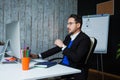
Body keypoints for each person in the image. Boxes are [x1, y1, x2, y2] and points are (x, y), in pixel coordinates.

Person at [30, 14, 91, 80]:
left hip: (73, 69)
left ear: (78, 25)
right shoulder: (69, 37)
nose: (67, 26)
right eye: (67, 24)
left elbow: (76, 58)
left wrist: (63, 46)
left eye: (70, 23)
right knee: (39, 73)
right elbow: (57, 49)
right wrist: (38, 56)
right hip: (63, 66)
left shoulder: (85, 39)